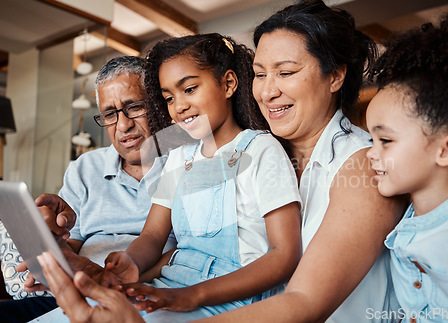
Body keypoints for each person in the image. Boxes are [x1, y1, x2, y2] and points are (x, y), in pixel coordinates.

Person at [34, 1, 406, 322]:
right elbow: (158, 149)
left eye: (286, 72)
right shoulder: (247, 138)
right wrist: (94, 261)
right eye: (260, 74)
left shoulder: (362, 164)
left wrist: (180, 298)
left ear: (336, 75)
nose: (267, 90)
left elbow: (303, 302)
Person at [35, 33, 302, 322]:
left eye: (189, 89)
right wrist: (131, 261)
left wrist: (191, 295)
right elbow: (152, 235)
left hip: (232, 298)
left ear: (228, 84)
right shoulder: (180, 158)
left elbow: (284, 254)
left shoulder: (261, 149)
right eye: (169, 98)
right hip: (172, 285)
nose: (179, 106)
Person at [0, 56, 176, 322]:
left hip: (144, 295)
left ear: (157, 105)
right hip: (75, 291)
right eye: (110, 114)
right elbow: (72, 244)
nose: (123, 125)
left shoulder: (183, 162)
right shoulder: (86, 167)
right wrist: (55, 242)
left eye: (134, 107)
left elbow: (191, 253)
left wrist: (111, 280)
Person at [365, 12, 448, 322]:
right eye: (371, 139)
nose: (371, 154)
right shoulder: (404, 223)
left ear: (447, 149)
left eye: (385, 140)